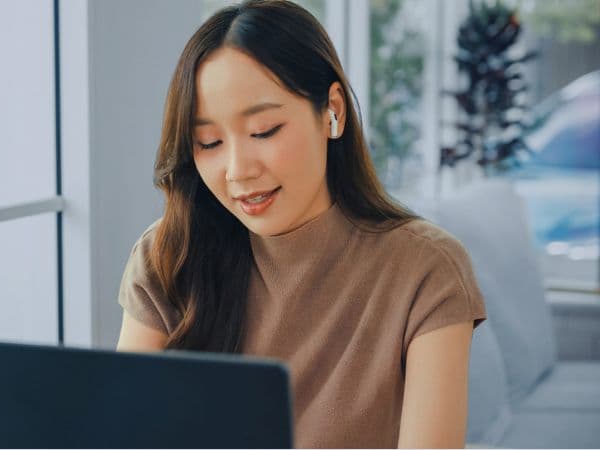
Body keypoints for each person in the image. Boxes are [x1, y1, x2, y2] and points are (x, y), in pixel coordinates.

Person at [116, 0, 487, 447]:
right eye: (208, 142)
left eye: (264, 131)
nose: (237, 170)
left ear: (332, 111)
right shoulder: (169, 256)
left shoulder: (426, 271)